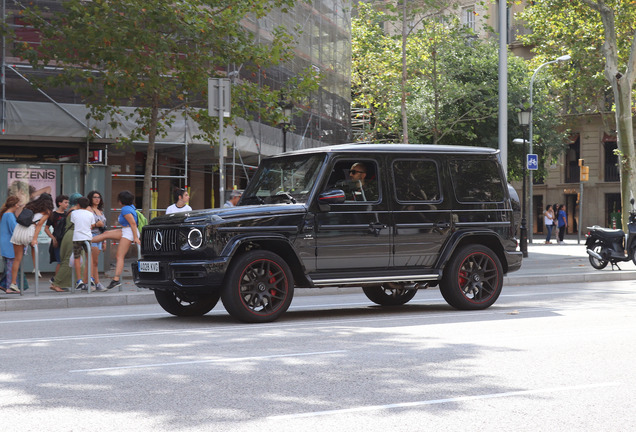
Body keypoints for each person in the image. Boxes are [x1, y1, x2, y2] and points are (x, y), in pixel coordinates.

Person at [91, 190, 140, 290]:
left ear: (121, 200)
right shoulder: (130, 207)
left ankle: (116, 279)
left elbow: (133, 223)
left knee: (119, 256)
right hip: (126, 230)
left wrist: (135, 237)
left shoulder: (125, 209)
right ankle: (87, 240)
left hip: (129, 232)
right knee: (106, 234)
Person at [9, 193, 54, 293]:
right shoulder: (46, 213)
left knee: (17, 259)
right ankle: (36, 268)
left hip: (18, 230)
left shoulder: (30, 206)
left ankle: (13, 283)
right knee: (34, 245)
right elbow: (38, 226)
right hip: (29, 230)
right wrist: (34, 239)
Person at [50, 193, 83, 292]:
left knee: (70, 260)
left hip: (71, 236)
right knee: (67, 260)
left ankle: (63, 282)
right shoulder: (73, 212)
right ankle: (56, 283)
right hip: (72, 236)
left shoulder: (71, 211)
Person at [70, 197, 100, 291]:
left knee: (77, 258)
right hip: (87, 237)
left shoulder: (74, 213)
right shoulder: (90, 214)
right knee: (89, 257)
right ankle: (91, 277)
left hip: (77, 237)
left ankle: (79, 280)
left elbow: (73, 222)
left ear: (78, 204)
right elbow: (91, 225)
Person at [44, 194, 69, 281]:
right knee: (60, 261)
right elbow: (46, 228)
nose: (67, 204)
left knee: (65, 261)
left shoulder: (68, 214)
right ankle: (57, 281)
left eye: (68, 202)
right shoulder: (53, 215)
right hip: (58, 240)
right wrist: (53, 238)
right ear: (59, 203)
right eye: (65, 202)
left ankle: (58, 279)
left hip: (66, 240)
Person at [87, 190, 107, 291]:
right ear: (90, 198)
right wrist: (95, 224)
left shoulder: (100, 211)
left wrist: (104, 241)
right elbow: (86, 225)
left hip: (101, 236)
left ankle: (95, 282)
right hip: (92, 236)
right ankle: (94, 282)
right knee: (93, 261)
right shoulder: (88, 209)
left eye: (98, 197)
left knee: (95, 261)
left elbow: (104, 227)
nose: (97, 199)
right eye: (94, 197)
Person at [0, 196, 21, 293]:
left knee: (8, 265)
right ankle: (10, 287)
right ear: (14, 204)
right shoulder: (9, 215)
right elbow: (15, 230)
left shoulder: (5, 214)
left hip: (5, 243)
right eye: (18, 204)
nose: (18, 206)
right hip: (10, 244)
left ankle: (4, 285)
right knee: (11, 266)